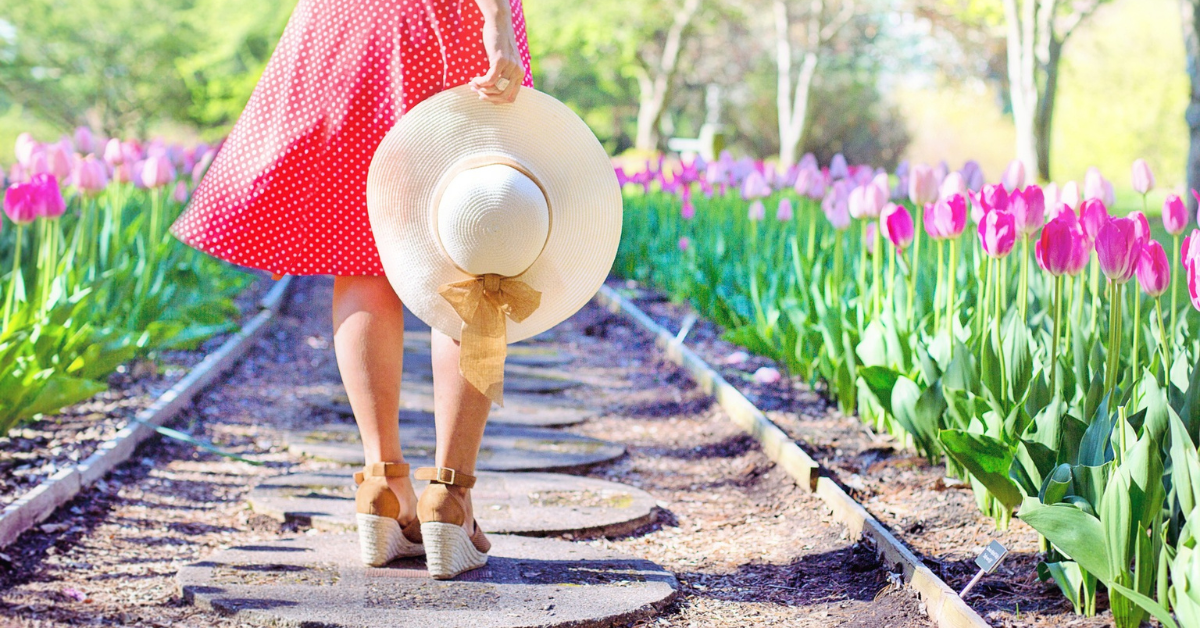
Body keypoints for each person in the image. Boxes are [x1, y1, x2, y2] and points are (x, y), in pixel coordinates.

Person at [170, 0, 535, 578]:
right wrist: (494, 23)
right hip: (450, 25)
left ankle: (382, 485)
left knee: (361, 256)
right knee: (475, 255)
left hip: (345, 25)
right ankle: (450, 498)